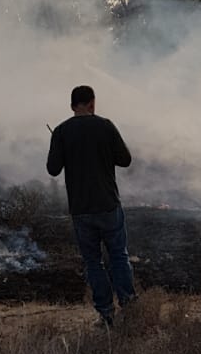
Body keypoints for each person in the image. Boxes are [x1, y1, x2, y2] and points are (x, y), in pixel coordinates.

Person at [46, 85, 135, 326]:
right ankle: (130, 309)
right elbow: (125, 160)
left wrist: (63, 149)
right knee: (119, 256)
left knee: (93, 262)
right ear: (92, 103)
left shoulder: (61, 131)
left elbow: (53, 169)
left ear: (72, 105)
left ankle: (106, 315)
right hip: (108, 204)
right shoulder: (105, 126)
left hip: (81, 209)